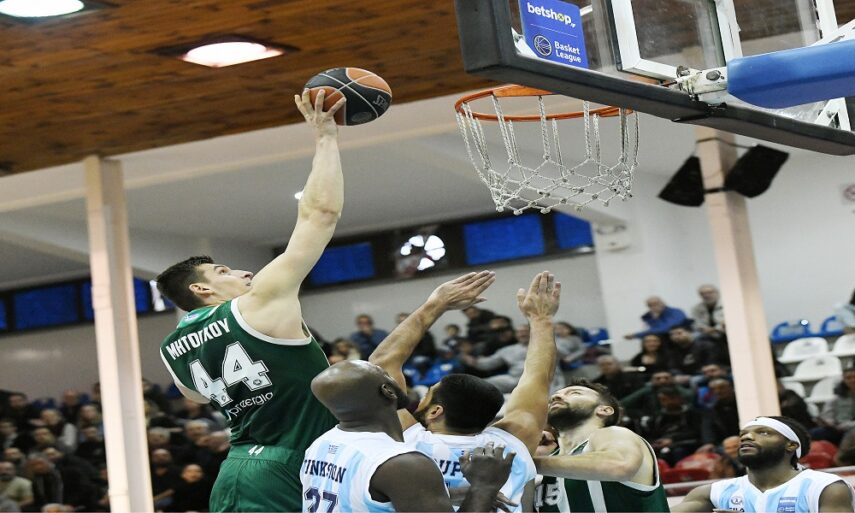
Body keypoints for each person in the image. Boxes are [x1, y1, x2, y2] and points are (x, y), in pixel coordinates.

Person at [155, 89, 345, 512]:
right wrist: (326, 137)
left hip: (238, 467)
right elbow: (320, 215)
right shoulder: (257, 303)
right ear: (201, 290)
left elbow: (197, 397)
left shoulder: (171, 349)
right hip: (285, 466)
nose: (243, 273)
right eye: (223, 271)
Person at [370, 271, 561, 511]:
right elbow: (539, 376)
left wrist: (436, 304)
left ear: (435, 411)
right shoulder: (511, 443)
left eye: (428, 395)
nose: (420, 401)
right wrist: (541, 319)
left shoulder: (408, 440)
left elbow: (381, 362)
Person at [303, 360, 513, 512]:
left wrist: (454, 494)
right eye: (386, 373)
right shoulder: (403, 464)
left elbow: (371, 496)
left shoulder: (321, 444)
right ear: (388, 391)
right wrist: (483, 488)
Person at [533, 379, 670, 512]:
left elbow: (619, 466)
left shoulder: (614, 434)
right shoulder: (543, 469)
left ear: (604, 410)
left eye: (575, 393)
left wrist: (529, 463)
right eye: (553, 397)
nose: (556, 397)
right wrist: (529, 452)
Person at [674, 416, 855, 513]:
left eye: (764, 433)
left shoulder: (825, 487)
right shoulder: (712, 493)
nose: (747, 437)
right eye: (743, 434)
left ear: (791, 445)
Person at [623, 296, 688, 340]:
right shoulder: (650, 317)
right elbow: (651, 331)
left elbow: (667, 328)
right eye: (650, 305)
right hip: (661, 342)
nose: (654, 307)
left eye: (656, 303)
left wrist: (636, 335)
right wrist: (655, 318)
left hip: (679, 339)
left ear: (663, 303)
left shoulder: (676, 312)